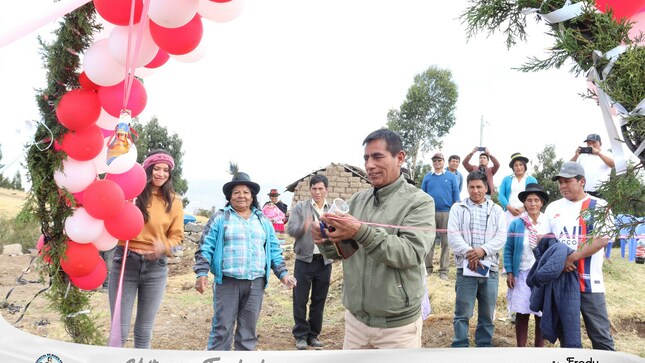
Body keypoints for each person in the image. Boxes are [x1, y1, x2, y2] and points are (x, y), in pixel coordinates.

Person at [312, 129, 435, 349]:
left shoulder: (419, 202)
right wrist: (325, 239)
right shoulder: (357, 201)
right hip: (356, 323)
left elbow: (410, 253)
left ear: (400, 158)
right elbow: (344, 252)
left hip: (397, 329)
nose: (369, 165)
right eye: (366, 158)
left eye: (378, 157)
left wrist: (360, 231)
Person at [193, 171, 296, 351]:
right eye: (236, 192)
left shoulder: (263, 220)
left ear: (252, 196)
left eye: (246, 192)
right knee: (222, 330)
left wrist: (283, 274)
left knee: (248, 333)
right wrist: (202, 272)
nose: (241, 195)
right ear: (230, 196)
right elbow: (205, 246)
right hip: (227, 283)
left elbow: (273, 250)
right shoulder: (220, 217)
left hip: (255, 284)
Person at [108, 150, 184, 348]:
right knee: (119, 331)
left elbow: (177, 238)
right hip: (125, 262)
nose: (161, 173)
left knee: (143, 330)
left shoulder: (174, 201)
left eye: (166, 170)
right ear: (147, 169)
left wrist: (164, 247)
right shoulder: (131, 195)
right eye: (156, 168)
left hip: (156, 269)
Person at [544, 161, 615, 350]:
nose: (562, 186)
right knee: (568, 339)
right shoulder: (553, 208)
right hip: (563, 282)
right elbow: (545, 240)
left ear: (582, 181)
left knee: (601, 337)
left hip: (590, 283)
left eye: (567, 181)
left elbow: (602, 240)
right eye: (560, 182)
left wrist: (572, 257)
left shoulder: (599, 205)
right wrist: (559, 260)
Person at [447, 171, 506, 347]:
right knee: (463, 312)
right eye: (471, 187)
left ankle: (484, 345)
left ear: (486, 188)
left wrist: (482, 251)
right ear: (467, 188)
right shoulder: (457, 208)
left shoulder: (496, 210)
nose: (475, 191)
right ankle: (460, 345)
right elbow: (453, 236)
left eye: (479, 187)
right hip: (465, 268)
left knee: (487, 313)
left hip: (490, 269)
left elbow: (501, 237)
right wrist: (470, 253)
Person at [287, 174, 334, 350]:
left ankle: (313, 335)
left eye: (321, 188)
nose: (317, 192)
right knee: (300, 299)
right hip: (304, 261)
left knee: (319, 299)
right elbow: (291, 230)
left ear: (326, 190)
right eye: (314, 188)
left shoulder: (331, 210)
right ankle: (300, 335)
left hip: (324, 262)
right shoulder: (300, 207)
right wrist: (304, 226)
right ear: (310, 190)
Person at [504, 183, 549, 347]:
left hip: (542, 275)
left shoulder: (547, 222)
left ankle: (539, 351)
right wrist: (509, 271)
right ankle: (521, 350)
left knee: (541, 313)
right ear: (524, 203)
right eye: (529, 200)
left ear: (542, 202)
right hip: (522, 273)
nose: (533, 204)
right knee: (522, 313)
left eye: (536, 200)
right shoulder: (517, 223)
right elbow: (508, 248)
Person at [421, 152, 460, 280]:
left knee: (445, 243)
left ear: (443, 162)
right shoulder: (427, 177)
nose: (437, 162)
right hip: (430, 213)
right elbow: (422, 195)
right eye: (435, 161)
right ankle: (428, 268)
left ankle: (444, 270)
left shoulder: (451, 176)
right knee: (429, 241)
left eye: (439, 160)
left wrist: (455, 212)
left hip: (446, 212)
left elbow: (456, 195)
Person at [498, 152, 538, 229]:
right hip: (509, 213)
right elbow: (501, 195)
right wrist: (510, 208)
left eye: (521, 164)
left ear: (524, 166)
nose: (518, 167)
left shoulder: (532, 180)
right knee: (508, 236)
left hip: (526, 212)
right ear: (513, 167)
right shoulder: (506, 179)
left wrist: (523, 208)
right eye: (516, 165)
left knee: (525, 237)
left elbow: (536, 196)